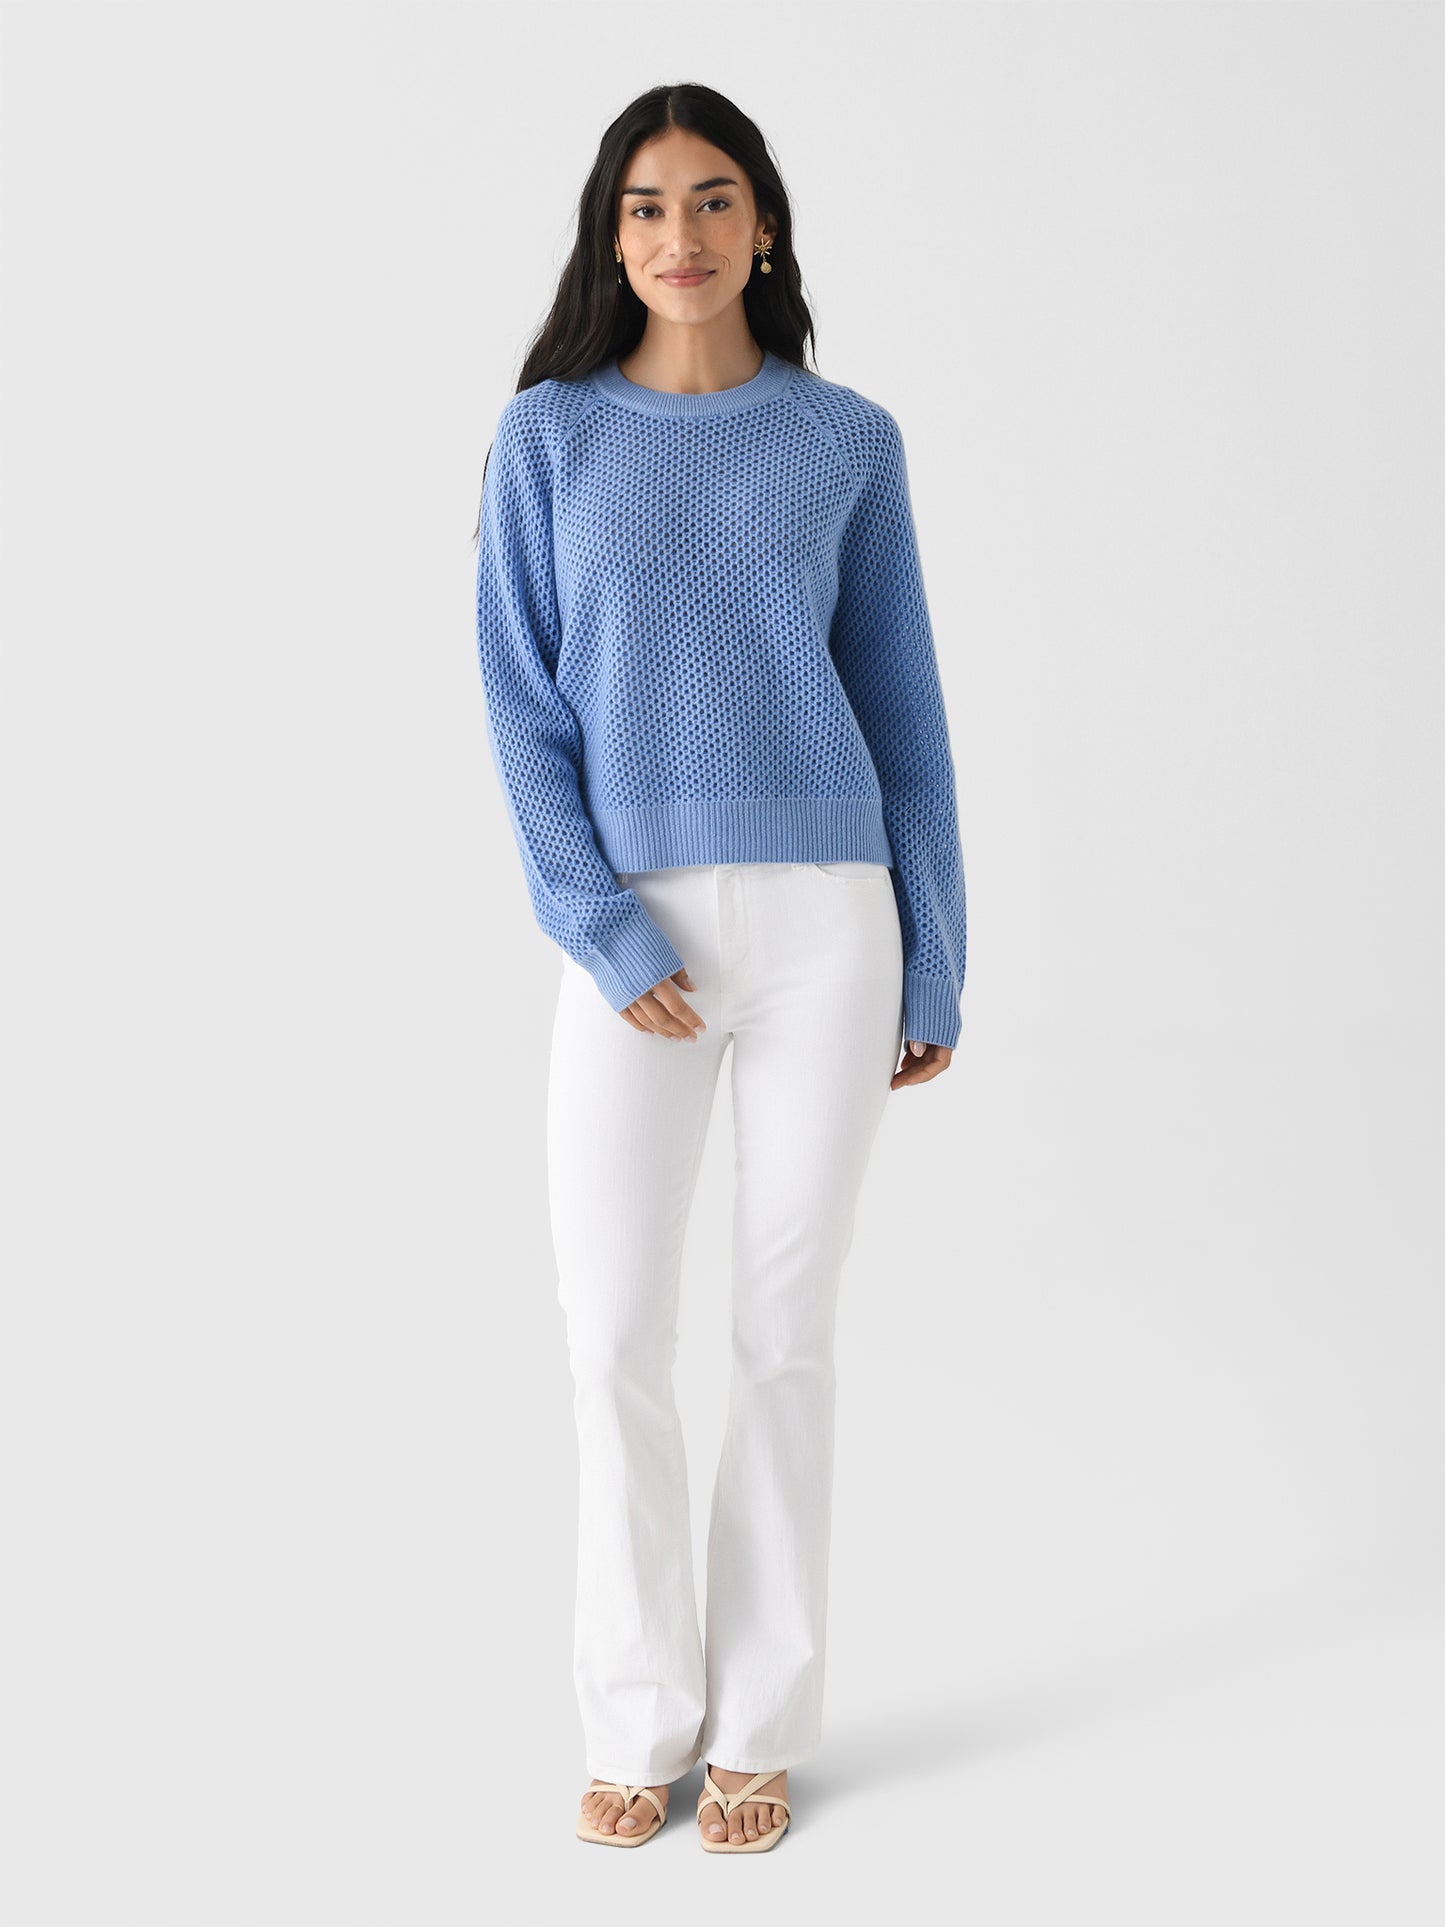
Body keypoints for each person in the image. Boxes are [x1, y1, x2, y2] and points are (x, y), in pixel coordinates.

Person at [472, 82, 967, 1855]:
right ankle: (635, 1715)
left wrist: (934, 958)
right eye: (643, 206)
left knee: (782, 1330)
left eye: (709, 200)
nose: (677, 236)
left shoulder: (847, 442)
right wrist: (599, 924)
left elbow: (904, 715)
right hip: (638, 936)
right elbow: (521, 706)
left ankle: (758, 1721)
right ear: (609, 238)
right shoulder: (547, 440)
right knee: (610, 1330)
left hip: (830, 926)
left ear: (764, 226)